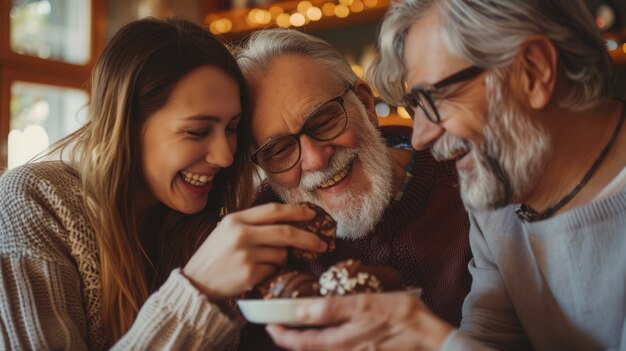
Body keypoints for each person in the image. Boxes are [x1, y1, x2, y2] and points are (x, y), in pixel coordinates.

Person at [264, 0, 626, 350]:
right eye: (415, 105)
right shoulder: (499, 195)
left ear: (534, 70)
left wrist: (429, 338)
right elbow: (489, 338)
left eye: (434, 99)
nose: (420, 136)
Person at [0, 18, 329, 350]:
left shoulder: (203, 225)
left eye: (232, 128)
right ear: (127, 126)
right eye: (197, 131)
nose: (225, 157)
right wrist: (198, 289)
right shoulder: (32, 202)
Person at [234, 29, 472, 349]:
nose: (316, 160)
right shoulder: (260, 236)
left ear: (365, 104)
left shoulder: (466, 178)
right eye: (279, 150)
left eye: (323, 121)